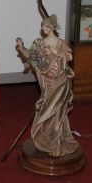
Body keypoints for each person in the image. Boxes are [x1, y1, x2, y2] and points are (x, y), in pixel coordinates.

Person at [16, 14, 79, 157]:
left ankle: (56, 143)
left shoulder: (60, 43)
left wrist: (57, 53)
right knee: (46, 110)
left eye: (45, 26)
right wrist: (21, 48)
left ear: (52, 28)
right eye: (42, 26)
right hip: (47, 82)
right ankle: (46, 140)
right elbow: (32, 57)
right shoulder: (39, 43)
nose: (43, 29)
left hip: (60, 82)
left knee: (56, 111)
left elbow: (69, 56)